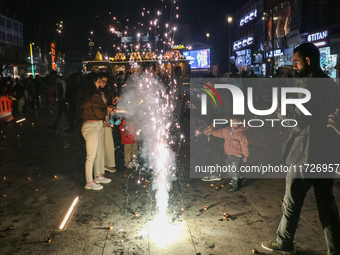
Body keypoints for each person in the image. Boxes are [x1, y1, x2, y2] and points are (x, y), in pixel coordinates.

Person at [261, 43, 340, 255]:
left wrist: (279, 110)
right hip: (325, 154)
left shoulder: (311, 86)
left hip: (305, 154)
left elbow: (297, 121)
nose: (294, 66)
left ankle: (284, 242)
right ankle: (335, 248)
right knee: (326, 203)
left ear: (307, 60)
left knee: (291, 202)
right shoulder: (330, 83)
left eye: (296, 62)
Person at [77, 73, 113, 190]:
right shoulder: (94, 96)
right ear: (93, 82)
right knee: (91, 156)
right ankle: (89, 181)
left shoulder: (87, 95)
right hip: (92, 126)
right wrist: (107, 109)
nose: (99, 83)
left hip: (95, 125)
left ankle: (97, 176)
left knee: (98, 153)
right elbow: (99, 113)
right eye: (98, 81)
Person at [203, 116, 249, 192]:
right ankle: (240, 178)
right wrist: (210, 132)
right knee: (232, 168)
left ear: (240, 122)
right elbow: (219, 132)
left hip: (237, 155)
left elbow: (244, 145)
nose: (232, 124)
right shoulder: (227, 130)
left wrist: (246, 155)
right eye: (231, 122)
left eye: (234, 122)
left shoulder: (241, 133)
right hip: (229, 154)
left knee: (233, 170)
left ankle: (235, 184)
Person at [98, 73, 117, 173]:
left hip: (106, 121)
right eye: (102, 81)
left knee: (109, 145)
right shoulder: (96, 93)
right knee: (102, 145)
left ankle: (107, 164)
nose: (104, 84)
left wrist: (112, 106)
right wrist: (107, 109)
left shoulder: (103, 92)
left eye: (106, 82)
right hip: (99, 122)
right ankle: (102, 166)